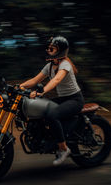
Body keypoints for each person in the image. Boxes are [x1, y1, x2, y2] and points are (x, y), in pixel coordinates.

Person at [20, 36, 85, 166]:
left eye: (52, 48)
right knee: (41, 110)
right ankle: (49, 138)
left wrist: (41, 91)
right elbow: (34, 80)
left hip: (75, 99)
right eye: (48, 48)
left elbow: (56, 80)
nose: (48, 50)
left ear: (60, 51)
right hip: (63, 99)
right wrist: (19, 86)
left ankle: (64, 149)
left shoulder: (65, 65)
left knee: (52, 114)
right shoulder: (49, 66)